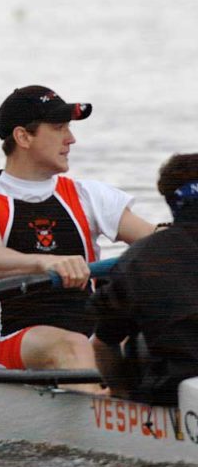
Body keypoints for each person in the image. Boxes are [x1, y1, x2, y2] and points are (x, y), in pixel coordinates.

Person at [0, 86, 155, 383]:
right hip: (18, 335)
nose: (71, 139)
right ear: (23, 137)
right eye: (59, 128)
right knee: (74, 346)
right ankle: (104, 416)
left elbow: (155, 239)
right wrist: (45, 263)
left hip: (90, 333)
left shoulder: (88, 195)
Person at [90, 153, 198, 405]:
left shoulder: (139, 259)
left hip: (176, 392)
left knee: (132, 339)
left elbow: (103, 344)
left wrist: (120, 393)